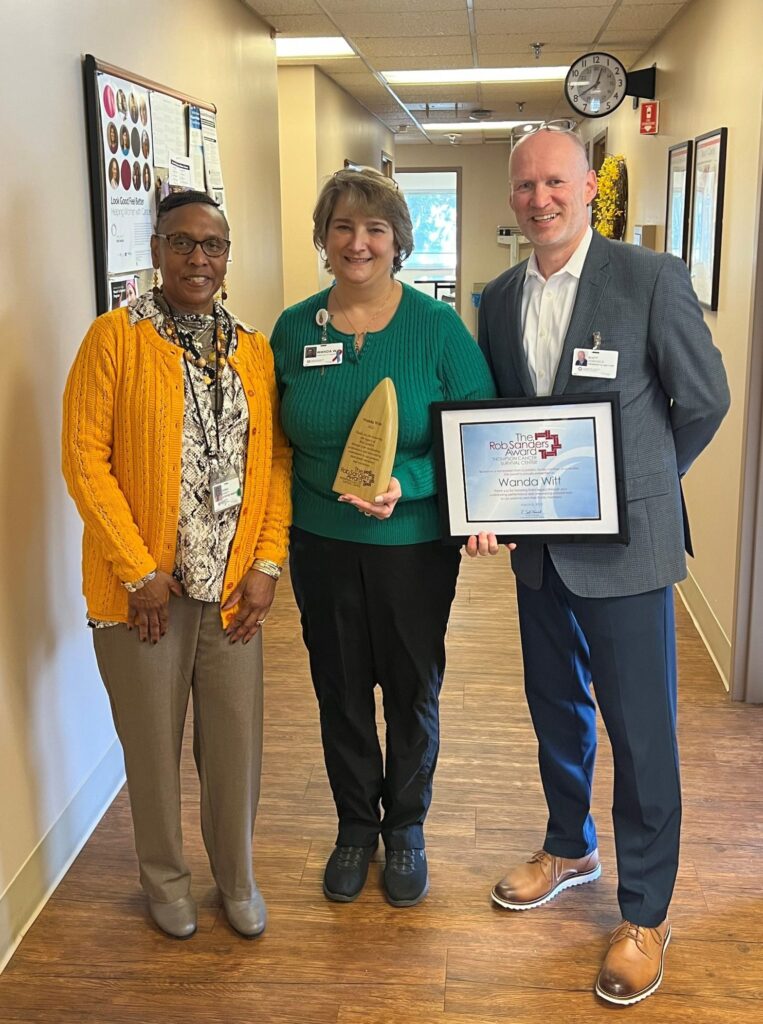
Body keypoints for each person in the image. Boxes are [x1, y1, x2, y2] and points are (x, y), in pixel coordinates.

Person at [470, 128, 729, 1005]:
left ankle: (645, 912)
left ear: (587, 186)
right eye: (523, 186)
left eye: (553, 182)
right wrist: (494, 503)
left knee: (641, 732)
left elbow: (701, 400)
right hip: (540, 554)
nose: (538, 199)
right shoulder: (497, 297)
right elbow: (505, 420)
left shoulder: (646, 278)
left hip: (627, 553)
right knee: (555, 710)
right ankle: (569, 844)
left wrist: (640, 487)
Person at [63, 190, 291, 941]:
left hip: (231, 591)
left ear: (228, 257)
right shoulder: (114, 339)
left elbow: (275, 461)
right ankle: (164, 879)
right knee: (152, 746)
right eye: (183, 243)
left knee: (234, 745)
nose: (199, 259)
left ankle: (237, 877)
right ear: (156, 250)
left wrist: (266, 561)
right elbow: (84, 462)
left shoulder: (252, 347)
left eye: (213, 245)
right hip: (143, 598)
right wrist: (137, 570)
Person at [271, 167, 495, 908]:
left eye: (374, 229)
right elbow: (276, 441)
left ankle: (405, 829)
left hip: (412, 548)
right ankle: (352, 828)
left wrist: (415, 484)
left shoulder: (436, 328)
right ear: (323, 239)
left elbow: (478, 433)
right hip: (322, 544)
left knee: (409, 687)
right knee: (337, 688)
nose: (357, 242)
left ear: (398, 240)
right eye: (342, 227)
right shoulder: (295, 328)